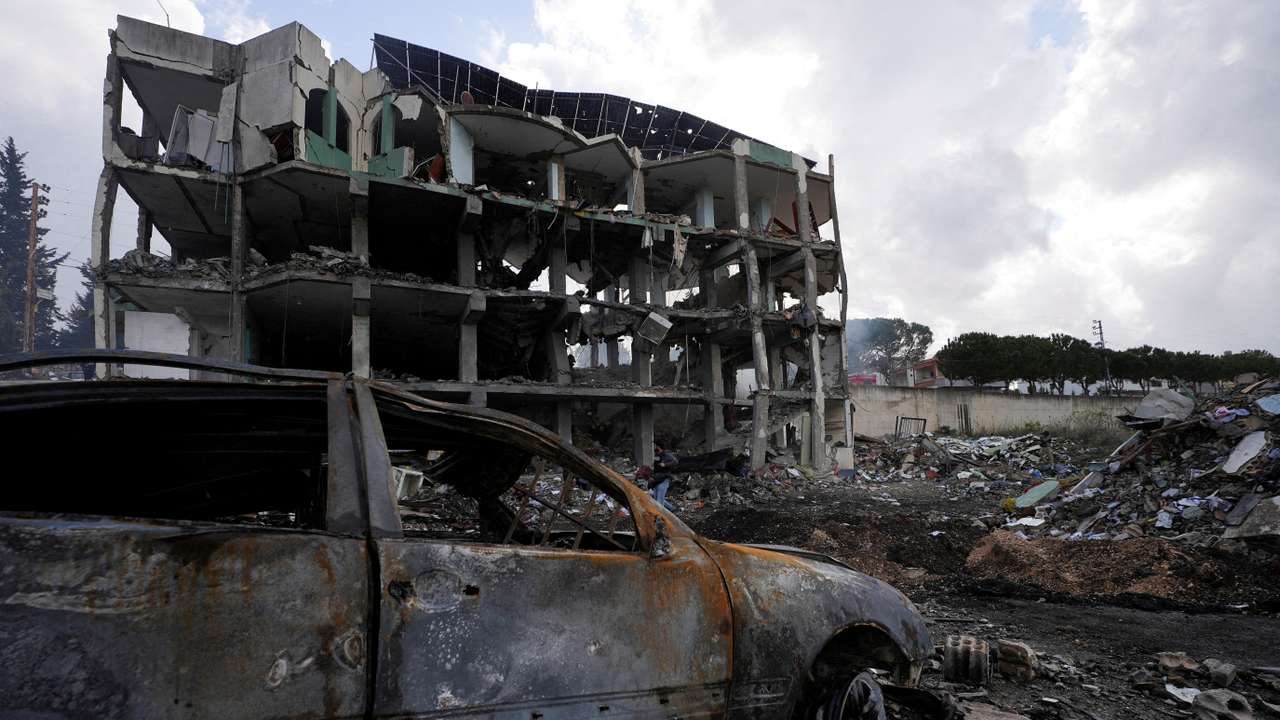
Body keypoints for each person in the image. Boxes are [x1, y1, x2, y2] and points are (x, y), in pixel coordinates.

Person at [650, 443, 678, 511]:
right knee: (656, 499)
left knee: (659, 500)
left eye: (656, 446)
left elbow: (675, 461)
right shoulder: (657, 455)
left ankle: (660, 517)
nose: (654, 447)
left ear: (660, 447)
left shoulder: (666, 455)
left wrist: (665, 464)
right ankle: (671, 509)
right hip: (657, 479)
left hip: (664, 479)